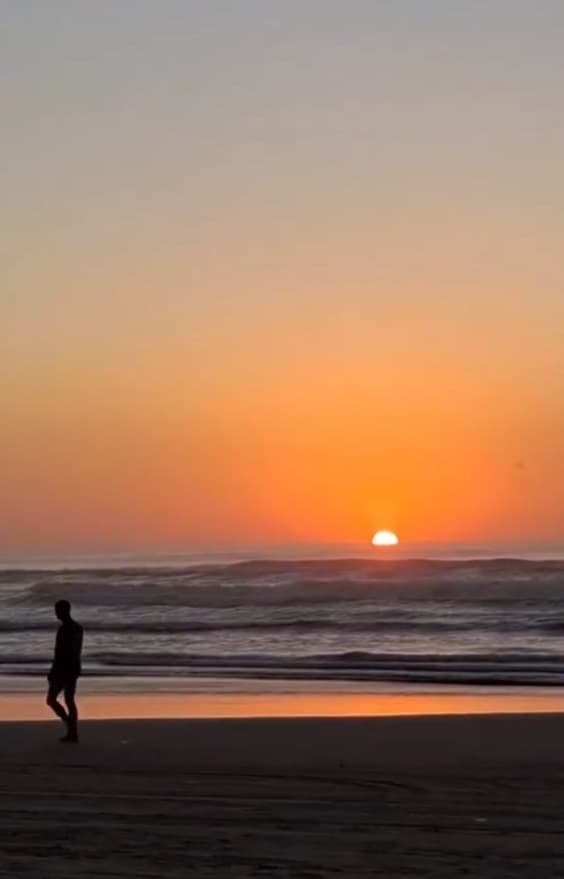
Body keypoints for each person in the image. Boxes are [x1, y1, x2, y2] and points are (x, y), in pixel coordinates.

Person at [46, 600, 83, 743]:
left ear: (63, 611)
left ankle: (70, 726)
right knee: (69, 700)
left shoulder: (64, 629)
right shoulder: (78, 628)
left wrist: (53, 670)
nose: (56, 613)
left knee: (51, 699)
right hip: (74, 667)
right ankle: (73, 731)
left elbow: (60, 652)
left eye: (57, 610)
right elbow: (76, 650)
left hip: (63, 668)